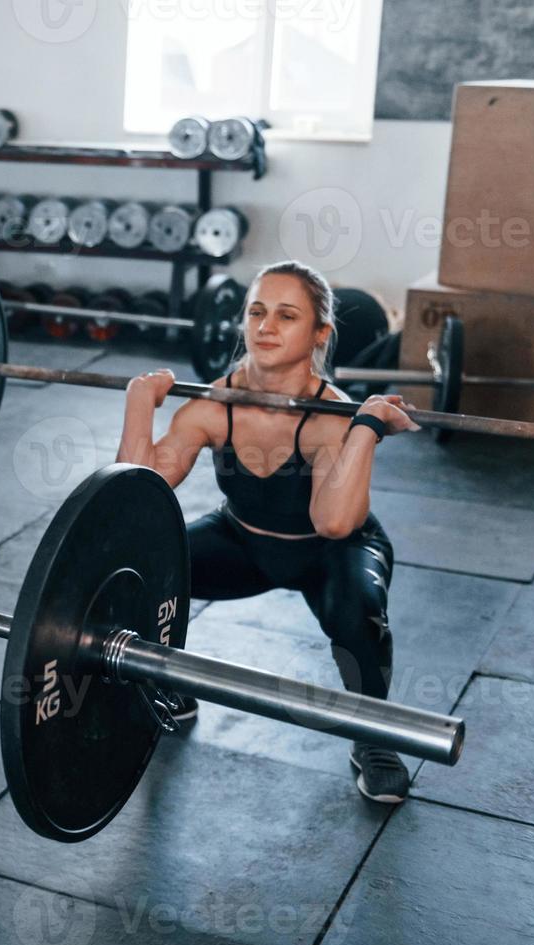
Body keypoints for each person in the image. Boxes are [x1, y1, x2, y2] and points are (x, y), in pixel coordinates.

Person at [116, 260, 418, 804]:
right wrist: (139, 405)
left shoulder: (329, 417)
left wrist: (366, 427)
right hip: (244, 541)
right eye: (256, 311)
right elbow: (139, 495)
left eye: (286, 315)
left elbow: (334, 522)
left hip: (331, 551)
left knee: (357, 615)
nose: (265, 326)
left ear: (319, 333)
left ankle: (374, 737)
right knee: (146, 566)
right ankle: (166, 682)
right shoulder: (213, 403)